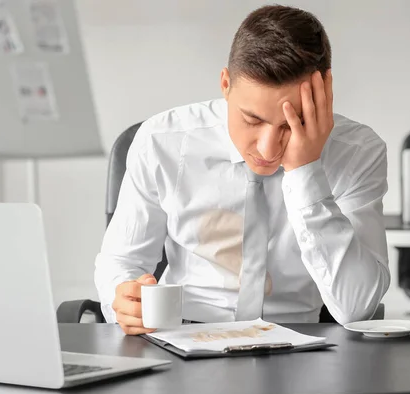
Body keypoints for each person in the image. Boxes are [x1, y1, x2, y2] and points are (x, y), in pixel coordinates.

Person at [95, 4, 390, 335]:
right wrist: (121, 296)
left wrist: (305, 171)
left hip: (299, 341)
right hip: (181, 336)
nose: (268, 148)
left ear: (325, 96)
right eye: (253, 119)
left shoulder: (359, 153)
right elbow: (122, 262)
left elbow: (357, 309)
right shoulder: (162, 141)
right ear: (225, 84)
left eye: (294, 123)